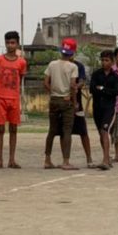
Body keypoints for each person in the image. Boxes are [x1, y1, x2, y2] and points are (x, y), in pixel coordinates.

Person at [0, 31, 28, 169]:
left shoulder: (22, 62)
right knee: (0, 129)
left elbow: (21, 79)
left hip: (14, 98)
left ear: (17, 44)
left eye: (13, 43)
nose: (10, 45)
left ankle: (12, 159)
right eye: (7, 42)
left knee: (13, 129)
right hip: (0, 97)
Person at [43, 39, 80, 170]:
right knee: (67, 131)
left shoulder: (52, 64)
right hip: (66, 100)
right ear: (73, 52)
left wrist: (53, 92)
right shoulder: (73, 67)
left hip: (54, 99)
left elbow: (46, 82)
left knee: (52, 130)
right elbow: (72, 86)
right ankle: (65, 161)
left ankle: (47, 159)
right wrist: (74, 102)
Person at [90, 49, 118, 170]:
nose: (104, 62)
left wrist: (102, 89)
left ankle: (105, 160)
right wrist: (104, 90)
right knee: (101, 134)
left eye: (106, 60)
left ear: (112, 62)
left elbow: (116, 92)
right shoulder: (96, 74)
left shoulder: (115, 77)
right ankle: (106, 158)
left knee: (104, 131)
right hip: (97, 108)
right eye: (102, 60)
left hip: (109, 109)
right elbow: (92, 89)